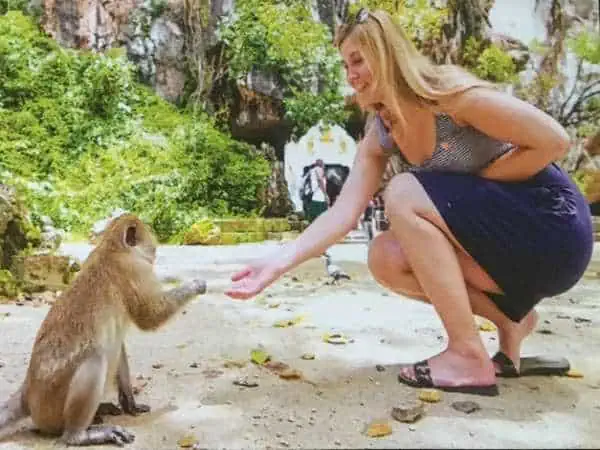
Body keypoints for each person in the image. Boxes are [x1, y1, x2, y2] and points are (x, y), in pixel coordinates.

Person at [225, 8, 594, 396]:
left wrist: (483, 181)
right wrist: (277, 263)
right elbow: (343, 212)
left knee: (402, 190)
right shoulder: (382, 131)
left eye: (357, 60)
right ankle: (511, 323)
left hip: (554, 227)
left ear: (386, 53)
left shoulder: (448, 95)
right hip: (504, 245)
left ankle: (467, 355)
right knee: (386, 257)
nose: (350, 74)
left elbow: (554, 141)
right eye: (344, 64)